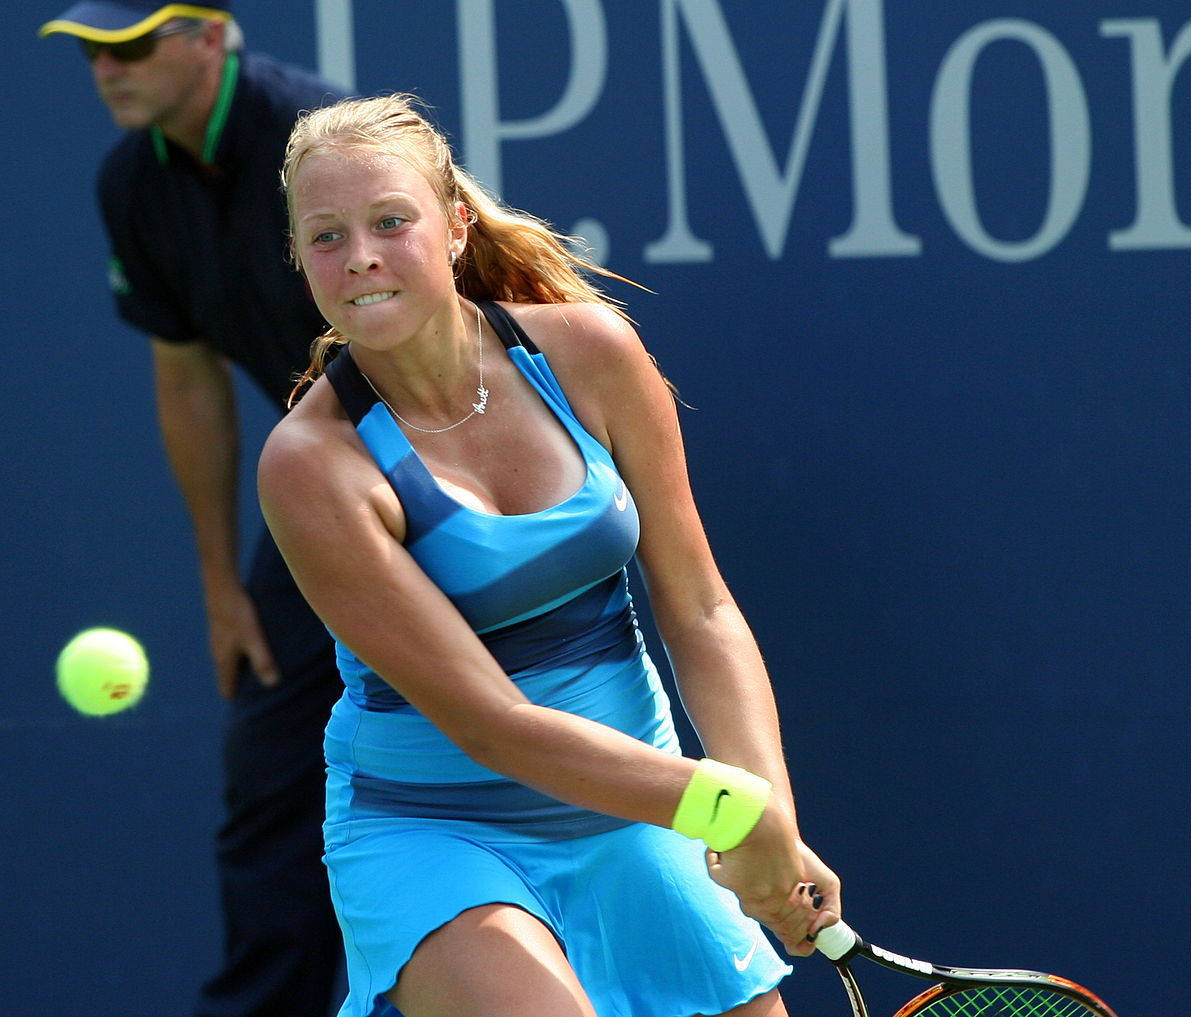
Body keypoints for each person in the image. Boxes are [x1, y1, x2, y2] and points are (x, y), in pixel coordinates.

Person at [257, 92, 844, 1017]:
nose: (360, 256)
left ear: (453, 227)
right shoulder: (310, 465)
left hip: (637, 808)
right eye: (325, 236)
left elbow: (700, 608)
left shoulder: (591, 353)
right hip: (434, 833)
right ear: (299, 259)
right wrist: (729, 809)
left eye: (390, 221)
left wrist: (767, 815)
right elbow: (492, 722)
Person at [39, 4, 348, 1015]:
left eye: (131, 44)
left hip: (454, 485)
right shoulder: (130, 185)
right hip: (327, 499)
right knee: (268, 767)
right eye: (92, 52)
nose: (106, 70)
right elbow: (187, 380)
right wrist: (223, 582)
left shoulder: (322, 144)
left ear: (211, 37)